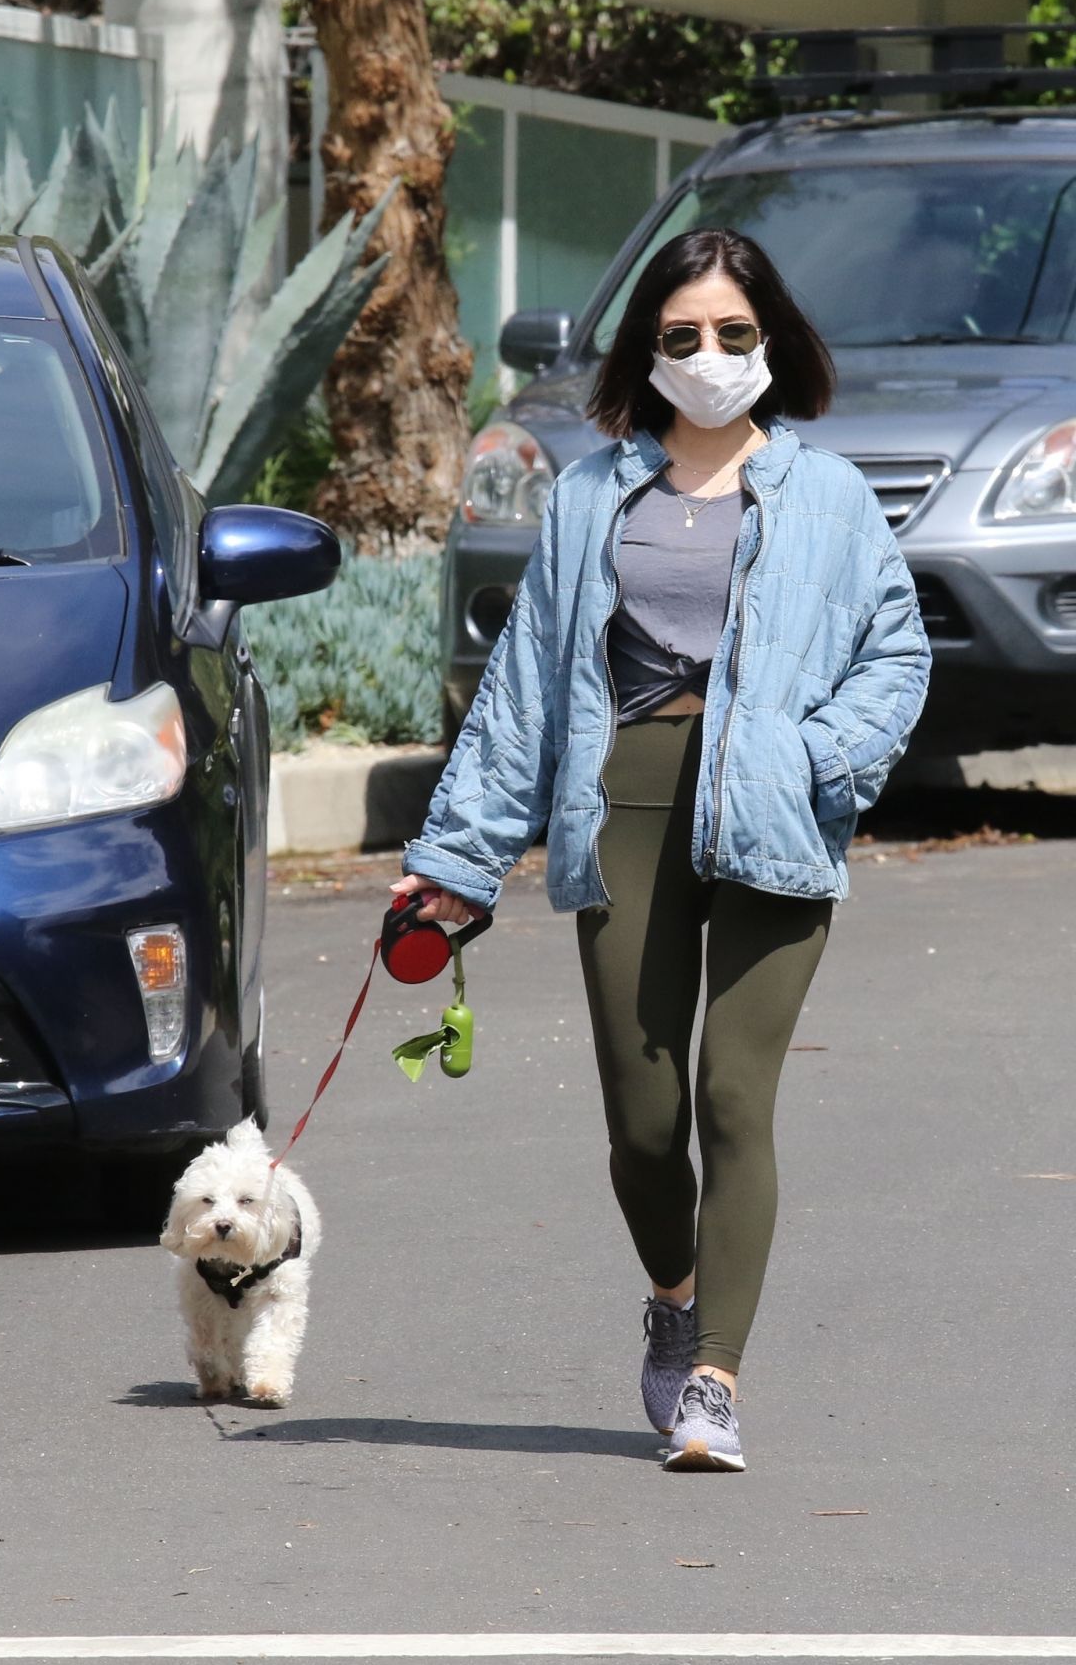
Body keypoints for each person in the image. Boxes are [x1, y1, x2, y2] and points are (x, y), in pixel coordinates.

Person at [391, 228, 930, 1472]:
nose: (709, 357)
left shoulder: (830, 497)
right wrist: (456, 866)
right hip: (622, 805)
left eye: (734, 335)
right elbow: (524, 690)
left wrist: (817, 760)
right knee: (644, 1117)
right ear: (649, 350)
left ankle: (716, 1385)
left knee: (735, 1096)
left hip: (774, 814)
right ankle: (675, 1297)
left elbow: (895, 656)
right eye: (681, 336)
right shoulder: (591, 498)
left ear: (773, 344)